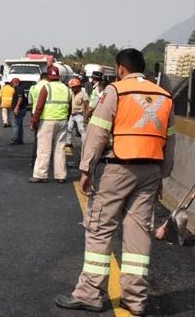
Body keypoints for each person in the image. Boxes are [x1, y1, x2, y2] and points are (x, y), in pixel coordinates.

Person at [55, 49, 175, 315]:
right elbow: (171, 140)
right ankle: (135, 300)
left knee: (99, 229)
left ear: (121, 69)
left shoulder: (116, 91)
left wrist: (86, 168)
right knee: (138, 234)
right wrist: (162, 177)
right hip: (151, 170)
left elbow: (98, 131)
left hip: (117, 168)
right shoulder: (165, 97)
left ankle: (90, 294)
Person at [29, 65, 71, 183]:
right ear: (59, 77)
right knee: (60, 149)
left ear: (48, 76)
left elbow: (39, 106)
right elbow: (70, 107)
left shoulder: (46, 87)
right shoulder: (66, 88)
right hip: (62, 121)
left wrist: (34, 121)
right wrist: (65, 119)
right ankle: (61, 176)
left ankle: (40, 175)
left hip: (47, 121)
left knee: (44, 149)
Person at [65, 77, 89, 166]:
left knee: (81, 130)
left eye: (74, 87)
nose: (72, 88)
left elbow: (87, 106)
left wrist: (86, 117)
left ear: (78, 86)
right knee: (69, 128)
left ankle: (85, 144)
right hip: (72, 114)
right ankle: (69, 143)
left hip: (80, 114)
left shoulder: (84, 94)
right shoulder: (72, 93)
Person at [28, 72, 49, 166]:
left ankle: (34, 161)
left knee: (37, 138)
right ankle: (46, 162)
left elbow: (30, 101)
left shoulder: (34, 87)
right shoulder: (49, 87)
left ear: (40, 78)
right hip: (47, 114)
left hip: (35, 114)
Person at [10, 77, 28, 144]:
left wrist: (16, 108)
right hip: (21, 108)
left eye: (13, 83)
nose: (12, 84)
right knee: (19, 124)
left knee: (16, 124)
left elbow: (20, 98)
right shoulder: (19, 88)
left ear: (16, 82)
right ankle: (20, 139)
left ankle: (15, 139)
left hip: (20, 109)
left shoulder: (19, 88)